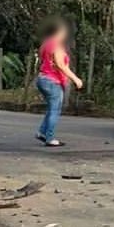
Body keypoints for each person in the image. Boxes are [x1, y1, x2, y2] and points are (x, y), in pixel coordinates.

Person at [35, 17, 83, 147]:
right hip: (52, 81)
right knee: (55, 110)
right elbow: (62, 65)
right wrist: (76, 79)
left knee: (52, 108)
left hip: (42, 78)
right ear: (60, 32)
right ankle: (50, 138)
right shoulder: (56, 46)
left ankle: (42, 132)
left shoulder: (46, 43)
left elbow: (44, 60)